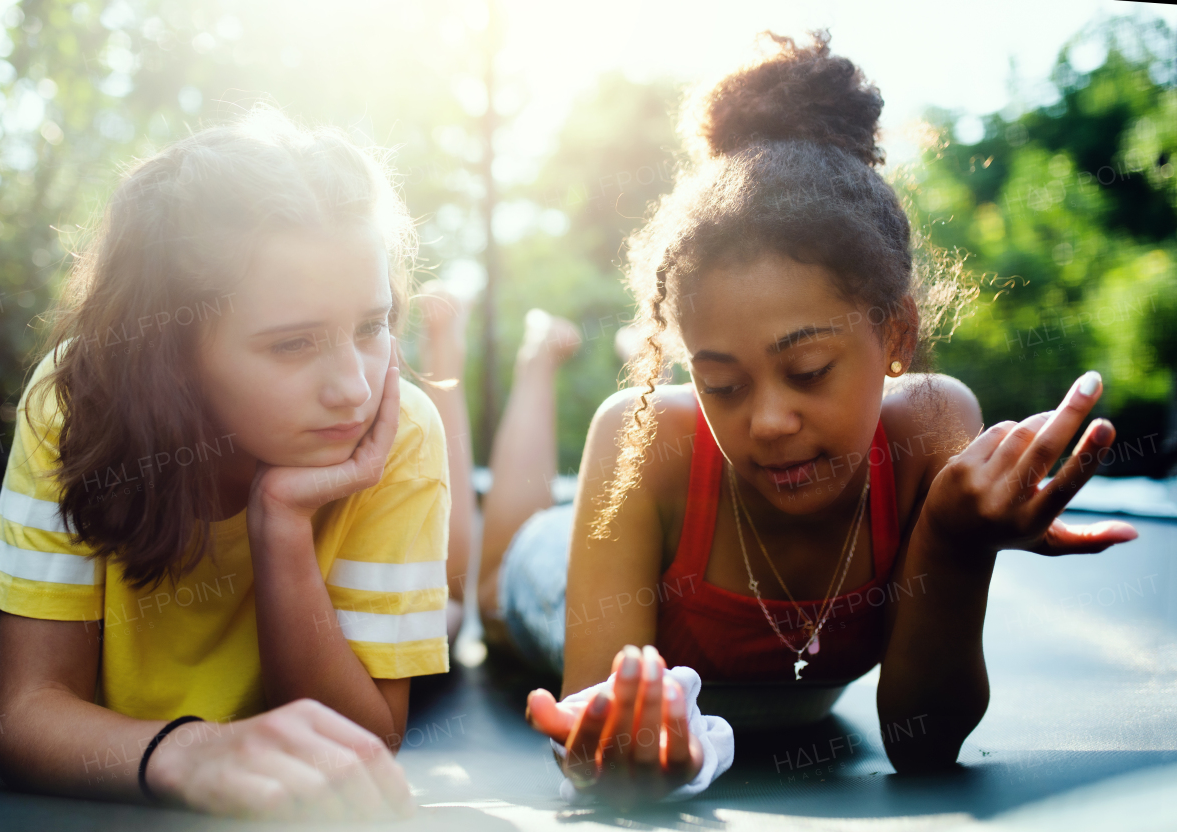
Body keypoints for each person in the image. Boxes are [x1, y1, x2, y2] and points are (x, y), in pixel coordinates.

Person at [473, 32, 1141, 807]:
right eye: (720, 383)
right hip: (556, 578)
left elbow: (924, 743)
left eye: (808, 371)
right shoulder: (644, 436)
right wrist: (615, 747)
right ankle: (537, 360)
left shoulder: (931, 427)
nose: (769, 421)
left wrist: (954, 544)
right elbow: (593, 738)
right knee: (494, 582)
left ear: (894, 335)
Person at [0, 110, 451, 820]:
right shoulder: (76, 404)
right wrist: (190, 751)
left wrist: (282, 525)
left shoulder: (397, 425)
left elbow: (364, 741)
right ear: (172, 352)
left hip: (406, 572)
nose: (353, 386)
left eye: (371, 326)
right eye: (292, 344)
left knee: (467, 598)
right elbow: (26, 716)